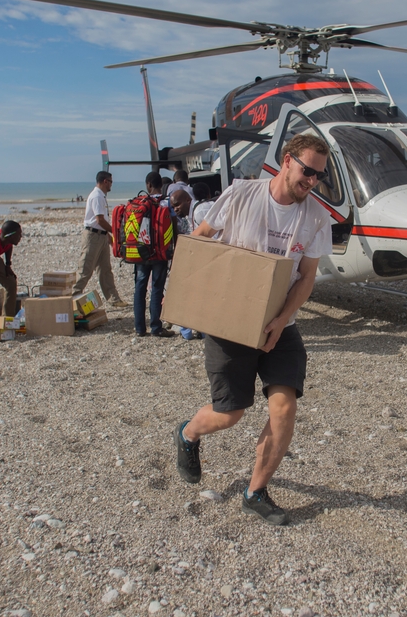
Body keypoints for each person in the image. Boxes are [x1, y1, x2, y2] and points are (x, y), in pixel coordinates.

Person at [173, 133, 332, 526]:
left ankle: (255, 492)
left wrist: (281, 321)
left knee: (284, 409)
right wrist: (193, 297)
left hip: (282, 324)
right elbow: (200, 241)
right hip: (231, 323)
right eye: (307, 171)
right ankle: (188, 433)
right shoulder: (242, 194)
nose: (311, 181)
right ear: (286, 160)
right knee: (231, 414)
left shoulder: (316, 216)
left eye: (319, 176)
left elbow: (307, 277)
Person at [73, 171, 127, 307]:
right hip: (93, 236)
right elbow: (99, 220)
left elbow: (101, 222)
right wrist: (115, 232)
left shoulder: (101, 196)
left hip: (100, 236)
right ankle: (73, 296)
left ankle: (113, 298)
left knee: (105, 269)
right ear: (105, 181)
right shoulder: (97, 196)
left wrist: (108, 237)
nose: (111, 185)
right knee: (86, 268)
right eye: (110, 182)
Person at [133, 171, 173, 337]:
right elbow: (173, 225)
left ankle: (139, 328)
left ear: (148, 185)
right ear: (161, 186)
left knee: (140, 288)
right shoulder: (166, 202)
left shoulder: (140, 203)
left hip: (141, 251)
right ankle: (156, 327)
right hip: (160, 253)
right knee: (157, 288)